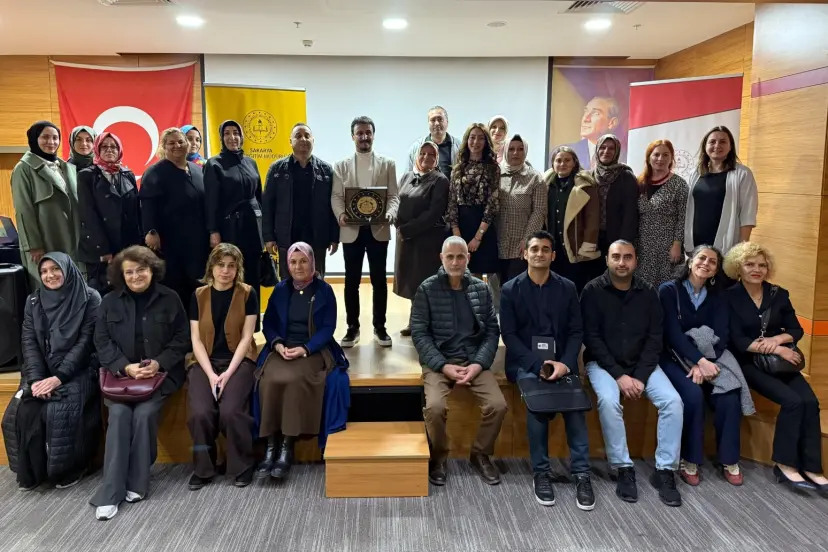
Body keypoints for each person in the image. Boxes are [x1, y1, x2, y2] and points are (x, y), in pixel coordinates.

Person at [581, 240, 683, 507]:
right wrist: (619, 375)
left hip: (642, 365)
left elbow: (655, 338)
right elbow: (592, 339)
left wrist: (639, 376)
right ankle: (623, 468)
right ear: (607, 260)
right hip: (604, 365)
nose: (621, 262)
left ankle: (665, 470)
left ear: (636, 261)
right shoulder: (592, 291)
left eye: (627, 257)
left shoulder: (649, 292)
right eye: (616, 257)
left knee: (673, 402)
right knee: (608, 400)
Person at [90, 246, 189, 520]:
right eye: (129, 272)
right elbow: (101, 341)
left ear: (152, 270)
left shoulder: (170, 298)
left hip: (160, 377)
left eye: (141, 270)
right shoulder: (108, 302)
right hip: (121, 378)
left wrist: (159, 362)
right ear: (121, 275)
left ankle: (137, 482)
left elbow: (182, 338)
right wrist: (125, 366)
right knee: (119, 415)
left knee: (144, 414)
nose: (136, 276)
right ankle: (110, 493)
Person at [500, 231, 595, 511]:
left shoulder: (567, 288)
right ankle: (541, 473)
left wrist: (564, 363)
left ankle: (582, 474)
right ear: (524, 254)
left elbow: (576, 331)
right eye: (534, 249)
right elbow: (510, 335)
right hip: (527, 363)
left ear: (553, 255)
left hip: (562, 362)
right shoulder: (510, 289)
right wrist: (537, 365)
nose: (539, 254)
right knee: (537, 406)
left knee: (576, 409)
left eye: (545, 249)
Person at [724, 242, 828, 496]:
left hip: (779, 362)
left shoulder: (778, 294)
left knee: (810, 402)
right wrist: (778, 350)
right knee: (793, 402)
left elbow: (795, 329)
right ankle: (785, 464)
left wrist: (778, 341)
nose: (756, 269)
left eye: (762, 265)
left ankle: (812, 467)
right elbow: (736, 340)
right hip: (748, 361)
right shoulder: (728, 297)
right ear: (738, 267)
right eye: (750, 264)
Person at [411, 236, 506, 486]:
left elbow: (492, 332)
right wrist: (442, 365)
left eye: (460, 256)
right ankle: (439, 457)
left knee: (498, 405)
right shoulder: (426, 289)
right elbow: (419, 334)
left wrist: (478, 364)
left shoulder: (481, 289)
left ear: (468, 258)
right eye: (450, 257)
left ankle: (480, 454)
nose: (455, 262)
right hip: (439, 362)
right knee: (435, 408)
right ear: (441, 258)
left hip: (473, 360)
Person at [7, 253, 101, 491]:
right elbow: (29, 343)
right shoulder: (33, 301)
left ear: (67, 269)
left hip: (79, 369)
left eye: (55, 269)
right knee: (20, 410)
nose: (50, 275)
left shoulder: (90, 298)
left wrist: (59, 378)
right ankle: (33, 472)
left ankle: (69, 470)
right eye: (44, 271)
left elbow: (86, 343)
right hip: (41, 371)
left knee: (60, 411)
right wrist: (37, 380)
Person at [659, 245, 749, 487]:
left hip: (711, 359)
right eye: (702, 258)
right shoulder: (669, 290)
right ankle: (690, 459)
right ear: (690, 261)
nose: (706, 264)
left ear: (716, 270)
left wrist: (706, 362)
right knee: (693, 396)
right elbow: (672, 334)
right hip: (674, 357)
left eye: (712, 262)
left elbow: (722, 335)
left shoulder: (720, 297)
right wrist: (698, 362)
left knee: (729, 396)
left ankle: (729, 459)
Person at [256, 243, 340, 480]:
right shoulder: (280, 289)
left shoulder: (324, 291)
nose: (298, 266)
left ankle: (287, 445)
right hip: (282, 347)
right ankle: (270, 444)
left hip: (312, 350)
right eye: (293, 262)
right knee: (269, 379)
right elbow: (268, 323)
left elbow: (328, 327)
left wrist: (305, 348)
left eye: (303, 261)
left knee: (293, 379)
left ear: (312, 262)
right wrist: (277, 344)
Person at [187, 243, 258, 490]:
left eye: (231, 266)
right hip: (204, 361)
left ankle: (243, 464)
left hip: (238, 361)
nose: (225, 271)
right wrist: (210, 374)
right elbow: (195, 339)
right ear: (211, 267)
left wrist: (227, 374)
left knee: (231, 411)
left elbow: (247, 338)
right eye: (220, 265)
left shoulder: (248, 293)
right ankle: (204, 468)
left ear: (238, 269)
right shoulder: (198, 295)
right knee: (200, 413)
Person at [331, 116, 399, 348]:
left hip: (378, 229)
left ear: (373, 134)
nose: (364, 137)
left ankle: (380, 327)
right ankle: (352, 328)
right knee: (351, 282)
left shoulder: (388, 164)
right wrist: (341, 214)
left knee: (380, 281)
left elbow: (393, 196)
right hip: (352, 231)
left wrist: (390, 213)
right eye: (359, 133)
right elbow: (336, 197)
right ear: (353, 136)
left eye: (368, 132)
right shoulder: (340, 166)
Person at [139, 127, 209, 308]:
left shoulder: (198, 170)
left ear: (187, 144)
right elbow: (147, 204)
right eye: (171, 143)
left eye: (180, 142)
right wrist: (151, 231)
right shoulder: (154, 172)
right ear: (164, 147)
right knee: (175, 288)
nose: (177, 146)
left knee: (198, 287)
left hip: (198, 242)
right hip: (170, 242)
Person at [262, 123, 338, 280]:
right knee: (287, 282)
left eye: (307, 136)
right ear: (290, 141)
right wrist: (269, 237)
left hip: (316, 236)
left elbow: (333, 206)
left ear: (313, 140)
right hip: (287, 236)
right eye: (298, 136)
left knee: (316, 280)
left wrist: (334, 237)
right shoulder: (277, 169)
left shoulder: (326, 170)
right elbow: (268, 205)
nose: (303, 139)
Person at [11, 121, 81, 289]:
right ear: (34, 139)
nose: (51, 142)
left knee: (71, 285)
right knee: (48, 286)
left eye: (55, 138)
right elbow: (23, 209)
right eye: (45, 137)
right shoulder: (24, 169)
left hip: (69, 237)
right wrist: (33, 245)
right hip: (46, 239)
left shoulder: (64, 166)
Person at [203, 120, 264, 303]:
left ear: (242, 137)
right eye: (227, 133)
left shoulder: (251, 162)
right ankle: (231, 319)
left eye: (236, 133)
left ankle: (252, 319)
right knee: (231, 272)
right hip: (230, 228)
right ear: (221, 138)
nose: (232, 137)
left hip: (253, 227)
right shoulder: (214, 164)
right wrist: (213, 230)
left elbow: (259, 197)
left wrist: (266, 229)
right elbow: (211, 201)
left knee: (253, 274)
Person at [393, 141, 450, 337]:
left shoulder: (440, 180)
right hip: (406, 239)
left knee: (425, 282)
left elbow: (434, 213)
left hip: (427, 240)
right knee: (411, 283)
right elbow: (396, 202)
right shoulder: (406, 177)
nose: (426, 157)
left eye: (431, 154)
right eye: (422, 153)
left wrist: (408, 229)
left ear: (437, 159)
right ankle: (415, 321)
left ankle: (427, 324)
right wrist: (396, 223)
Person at [77, 132, 142, 293]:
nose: (109, 150)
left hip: (127, 244)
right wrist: (104, 249)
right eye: (104, 146)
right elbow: (88, 215)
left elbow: (135, 211)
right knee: (105, 292)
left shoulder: (127, 173)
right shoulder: (87, 175)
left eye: (113, 146)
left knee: (130, 288)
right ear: (97, 150)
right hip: (101, 247)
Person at [685, 126, 757, 262]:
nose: (717, 145)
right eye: (712, 142)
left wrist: (742, 249)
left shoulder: (742, 174)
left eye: (723, 142)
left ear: (730, 147)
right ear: (705, 146)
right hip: (696, 242)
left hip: (726, 244)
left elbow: (747, 214)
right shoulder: (695, 173)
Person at [445, 123, 501, 279]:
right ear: (467, 140)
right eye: (472, 137)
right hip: (461, 226)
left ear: (486, 142)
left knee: (478, 276)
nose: (476, 142)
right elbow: (452, 202)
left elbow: (492, 204)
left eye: (481, 138)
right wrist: (457, 234)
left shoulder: (493, 168)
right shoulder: (457, 169)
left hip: (482, 226)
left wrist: (478, 237)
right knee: (458, 274)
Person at [543, 146, 599, 293]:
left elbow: (592, 219)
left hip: (575, 248)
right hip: (553, 248)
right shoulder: (546, 185)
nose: (562, 164)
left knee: (575, 288)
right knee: (554, 290)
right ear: (553, 164)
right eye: (558, 160)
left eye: (567, 160)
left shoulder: (585, 185)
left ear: (574, 162)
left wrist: (587, 246)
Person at [584, 134, 639, 282]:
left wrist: (624, 242)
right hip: (593, 238)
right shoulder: (589, 176)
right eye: (602, 147)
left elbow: (630, 213)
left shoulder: (626, 176)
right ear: (597, 150)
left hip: (617, 237)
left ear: (617, 151)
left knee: (615, 278)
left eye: (611, 148)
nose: (606, 151)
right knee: (592, 279)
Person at [496, 133, 546, 286]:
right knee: (497, 289)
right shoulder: (496, 174)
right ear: (505, 151)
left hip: (520, 245)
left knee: (517, 287)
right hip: (496, 242)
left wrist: (528, 240)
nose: (515, 153)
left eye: (520, 149)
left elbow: (539, 212)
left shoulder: (535, 178)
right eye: (511, 149)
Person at [637, 140, 688, 287]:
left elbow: (683, 217)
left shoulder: (679, 184)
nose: (660, 159)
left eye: (665, 155)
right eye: (656, 154)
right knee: (642, 287)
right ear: (649, 157)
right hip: (643, 245)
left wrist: (677, 244)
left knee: (665, 287)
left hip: (667, 246)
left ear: (671, 158)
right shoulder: (640, 182)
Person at [562, 96, 621, 171]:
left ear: (611, 123)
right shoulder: (564, 153)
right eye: (586, 111)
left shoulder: (624, 156)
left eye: (596, 113)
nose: (586, 119)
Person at [406, 106, 460, 179]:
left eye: (440, 119)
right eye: (433, 120)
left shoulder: (459, 146)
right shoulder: (416, 148)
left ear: (447, 122)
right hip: (424, 186)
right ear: (428, 123)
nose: (437, 123)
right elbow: (408, 178)